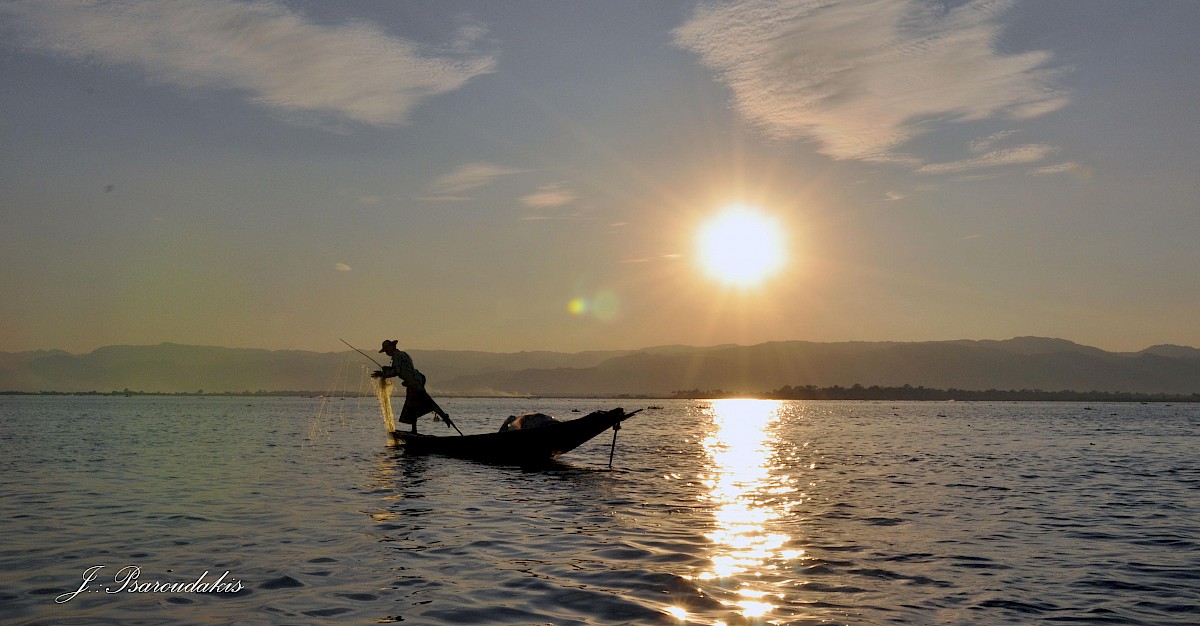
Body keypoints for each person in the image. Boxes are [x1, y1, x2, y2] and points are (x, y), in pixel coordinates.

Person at [370, 339, 450, 433]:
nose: (387, 353)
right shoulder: (403, 354)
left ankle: (443, 417)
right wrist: (386, 369)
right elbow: (401, 369)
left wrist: (382, 374)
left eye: (387, 350)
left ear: (391, 348)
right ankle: (416, 429)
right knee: (415, 405)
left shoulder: (397, 356)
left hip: (413, 382)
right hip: (417, 380)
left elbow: (396, 371)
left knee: (417, 404)